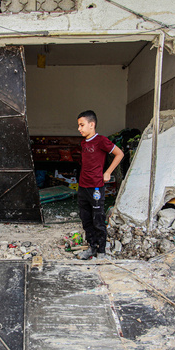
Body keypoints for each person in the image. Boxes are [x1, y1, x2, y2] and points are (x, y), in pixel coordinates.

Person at [76, 110, 124, 260]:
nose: (79, 128)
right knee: (86, 219)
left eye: (82, 125)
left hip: (96, 187)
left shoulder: (101, 140)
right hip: (83, 186)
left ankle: (101, 251)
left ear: (92, 124)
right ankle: (91, 247)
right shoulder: (84, 142)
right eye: (78, 125)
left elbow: (119, 154)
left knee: (98, 219)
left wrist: (108, 172)